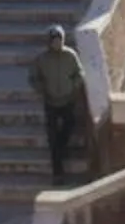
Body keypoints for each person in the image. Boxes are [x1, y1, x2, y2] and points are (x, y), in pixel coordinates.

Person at [29, 25, 84, 182]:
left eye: (59, 41)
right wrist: (42, 89)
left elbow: (79, 73)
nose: (57, 44)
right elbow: (33, 77)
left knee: (69, 125)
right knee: (52, 137)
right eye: (54, 41)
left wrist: (74, 85)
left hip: (67, 100)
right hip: (50, 101)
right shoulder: (42, 59)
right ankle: (57, 173)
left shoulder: (70, 55)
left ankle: (61, 147)